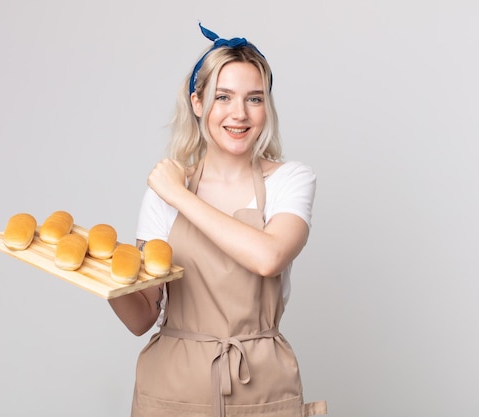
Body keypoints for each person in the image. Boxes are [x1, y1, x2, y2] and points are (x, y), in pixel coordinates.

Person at [109, 23, 327, 417]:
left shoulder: (290, 180)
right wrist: (104, 274)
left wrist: (178, 194)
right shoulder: (163, 192)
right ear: (197, 103)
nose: (239, 114)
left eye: (254, 99)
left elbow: (269, 256)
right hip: (172, 388)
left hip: (262, 384)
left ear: (267, 107)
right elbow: (142, 317)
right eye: (222, 97)